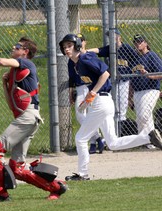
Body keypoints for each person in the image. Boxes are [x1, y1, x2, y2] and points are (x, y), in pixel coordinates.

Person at [59, 34, 162, 181]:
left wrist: (93, 93)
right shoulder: (76, 64)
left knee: (80, 138)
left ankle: (83, 174)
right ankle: (148, 137)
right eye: (64, 47)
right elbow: (93, 82)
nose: (67, 49)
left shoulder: (85, 58)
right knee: (112, 143)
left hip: (101, 102)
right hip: (102, 102)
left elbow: (105, 74)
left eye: (69, 46)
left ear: (77, 46)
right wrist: (88, 100)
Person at [0, 36, 66, 202]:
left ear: (25, 52)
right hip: (26, 117)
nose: (13, 48)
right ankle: (56, 188)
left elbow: (4, 62)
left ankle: (0, 194)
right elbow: (10, 104)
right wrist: (4, 84)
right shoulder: (14, 73)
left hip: (28, 116)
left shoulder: (27, 63)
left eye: (17, 47)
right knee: (17, 168)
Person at [87, 29, 138, 134]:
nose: (111, 38)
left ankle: (121, 133)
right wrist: (85, 51)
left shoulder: (126, 48)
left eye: (113, 35)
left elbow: (136, 60)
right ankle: (113, 133)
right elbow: (98, 50)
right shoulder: (110, 49)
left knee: (122, 108)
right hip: (113, 82)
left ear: (119, 36)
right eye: (109, 36)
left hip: (124, 81)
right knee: (111, 106)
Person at [68, 33, 105, 154]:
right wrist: (70, 91)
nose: (80, 42)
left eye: (81, 40)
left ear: (84, 42)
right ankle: (97, 138)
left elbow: (102, 72)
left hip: (89, 87)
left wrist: (93, 91)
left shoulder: (87, 56)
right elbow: (72, 78)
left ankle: (93, 143)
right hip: (80, 88)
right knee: (80, 113)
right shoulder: (72, 60)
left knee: (91, 114)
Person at [131, 34, 162, 149]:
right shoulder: (135, 59)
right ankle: (147, 143)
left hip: (151, 90)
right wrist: (130, 97)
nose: (138, 44)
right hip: (138, 92)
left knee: (143, 115)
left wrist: (148, 75)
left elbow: (160, 73)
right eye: (136, 42)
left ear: (146, 43)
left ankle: (150, 139)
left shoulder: (152, 56)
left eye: (140, 41)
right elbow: (131, 79)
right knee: (141, 118)